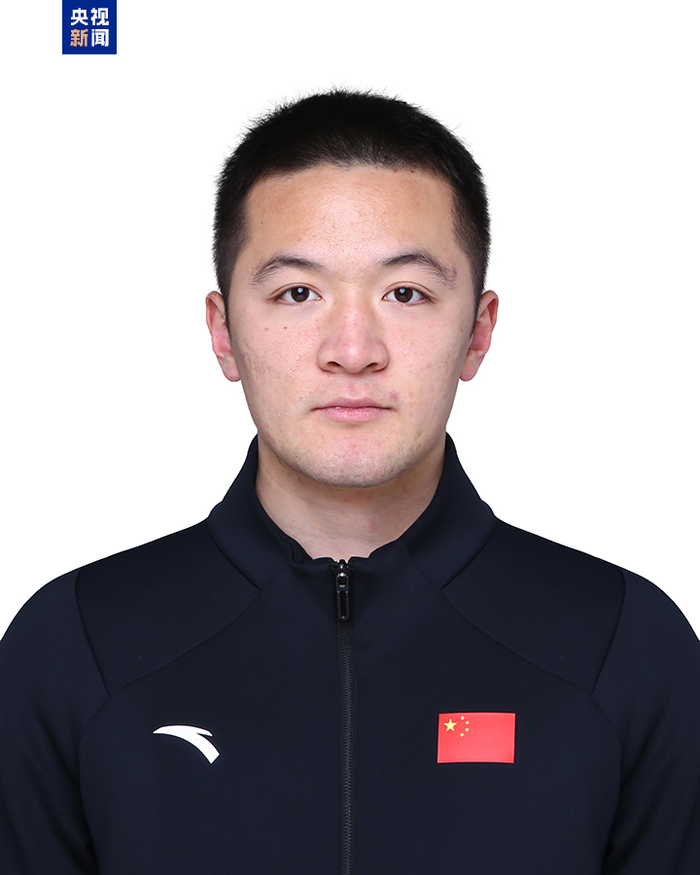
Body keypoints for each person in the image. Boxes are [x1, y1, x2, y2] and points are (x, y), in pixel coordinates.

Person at [1, 90, 698, 875]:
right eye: (298, 292)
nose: (354, 349)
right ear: (223, 331)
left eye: (406, 293)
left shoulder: (620, 644)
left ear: (478, 331)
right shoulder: (79, 644)